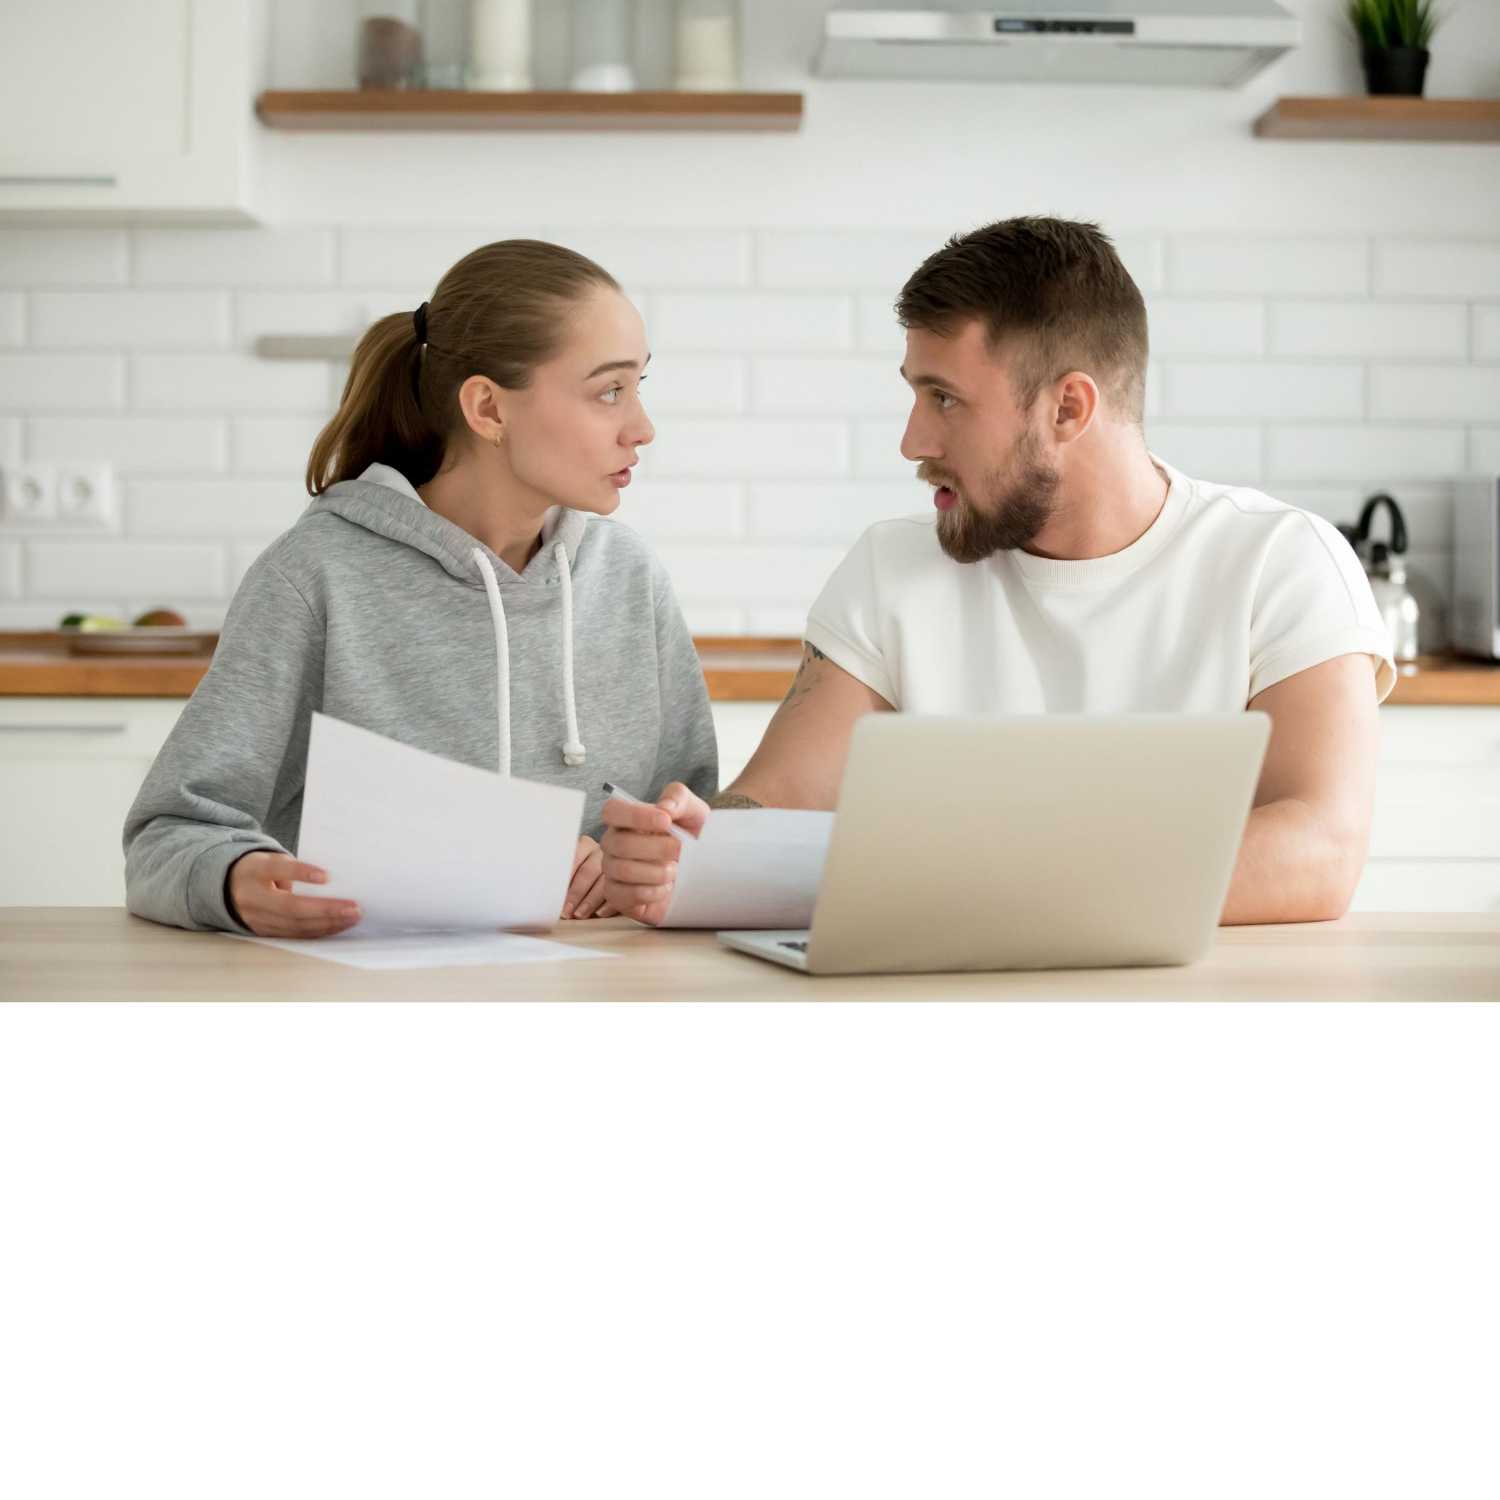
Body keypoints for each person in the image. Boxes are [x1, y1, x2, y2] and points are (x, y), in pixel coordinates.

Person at [600, 216, 1394, 928]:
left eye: (945, 399)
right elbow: (783, 799)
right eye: (916, 396)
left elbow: (1319, 851)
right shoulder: (893, 570)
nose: (913, 441)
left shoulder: (1280, 561)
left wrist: (1004, 885)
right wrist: (696, 845)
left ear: (1068, 409)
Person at [125, 239, 716, 937]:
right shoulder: (316, 576)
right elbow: (166, 839)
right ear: (488, 408)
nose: (642, 428)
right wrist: (234, 879)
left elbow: (692, 829)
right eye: (609, 391)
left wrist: (647, 858)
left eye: (639, 386)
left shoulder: (629, 578)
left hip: (600, 987)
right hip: (368, 985)